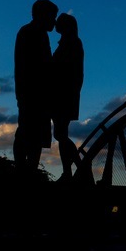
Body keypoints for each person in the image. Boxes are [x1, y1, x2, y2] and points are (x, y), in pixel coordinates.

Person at [14, 0, 58, 173]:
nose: (54, 21)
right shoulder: (33, 33)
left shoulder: (31, 32)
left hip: (32, 93)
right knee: (30, 133)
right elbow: (41, 66)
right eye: (52, 16)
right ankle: (25, 171)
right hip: (34, 94)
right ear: (43, 15)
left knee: (30, 134)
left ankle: (25, 170)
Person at [50, 12, 84, 182]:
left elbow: (66, 71)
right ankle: (71, 171)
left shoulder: (71, 43)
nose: (56, 23)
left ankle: (76, 170)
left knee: (60, 134)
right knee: (60, 134)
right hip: (65, 94)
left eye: (59, 22)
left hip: (64, 95)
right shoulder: (70, 43)